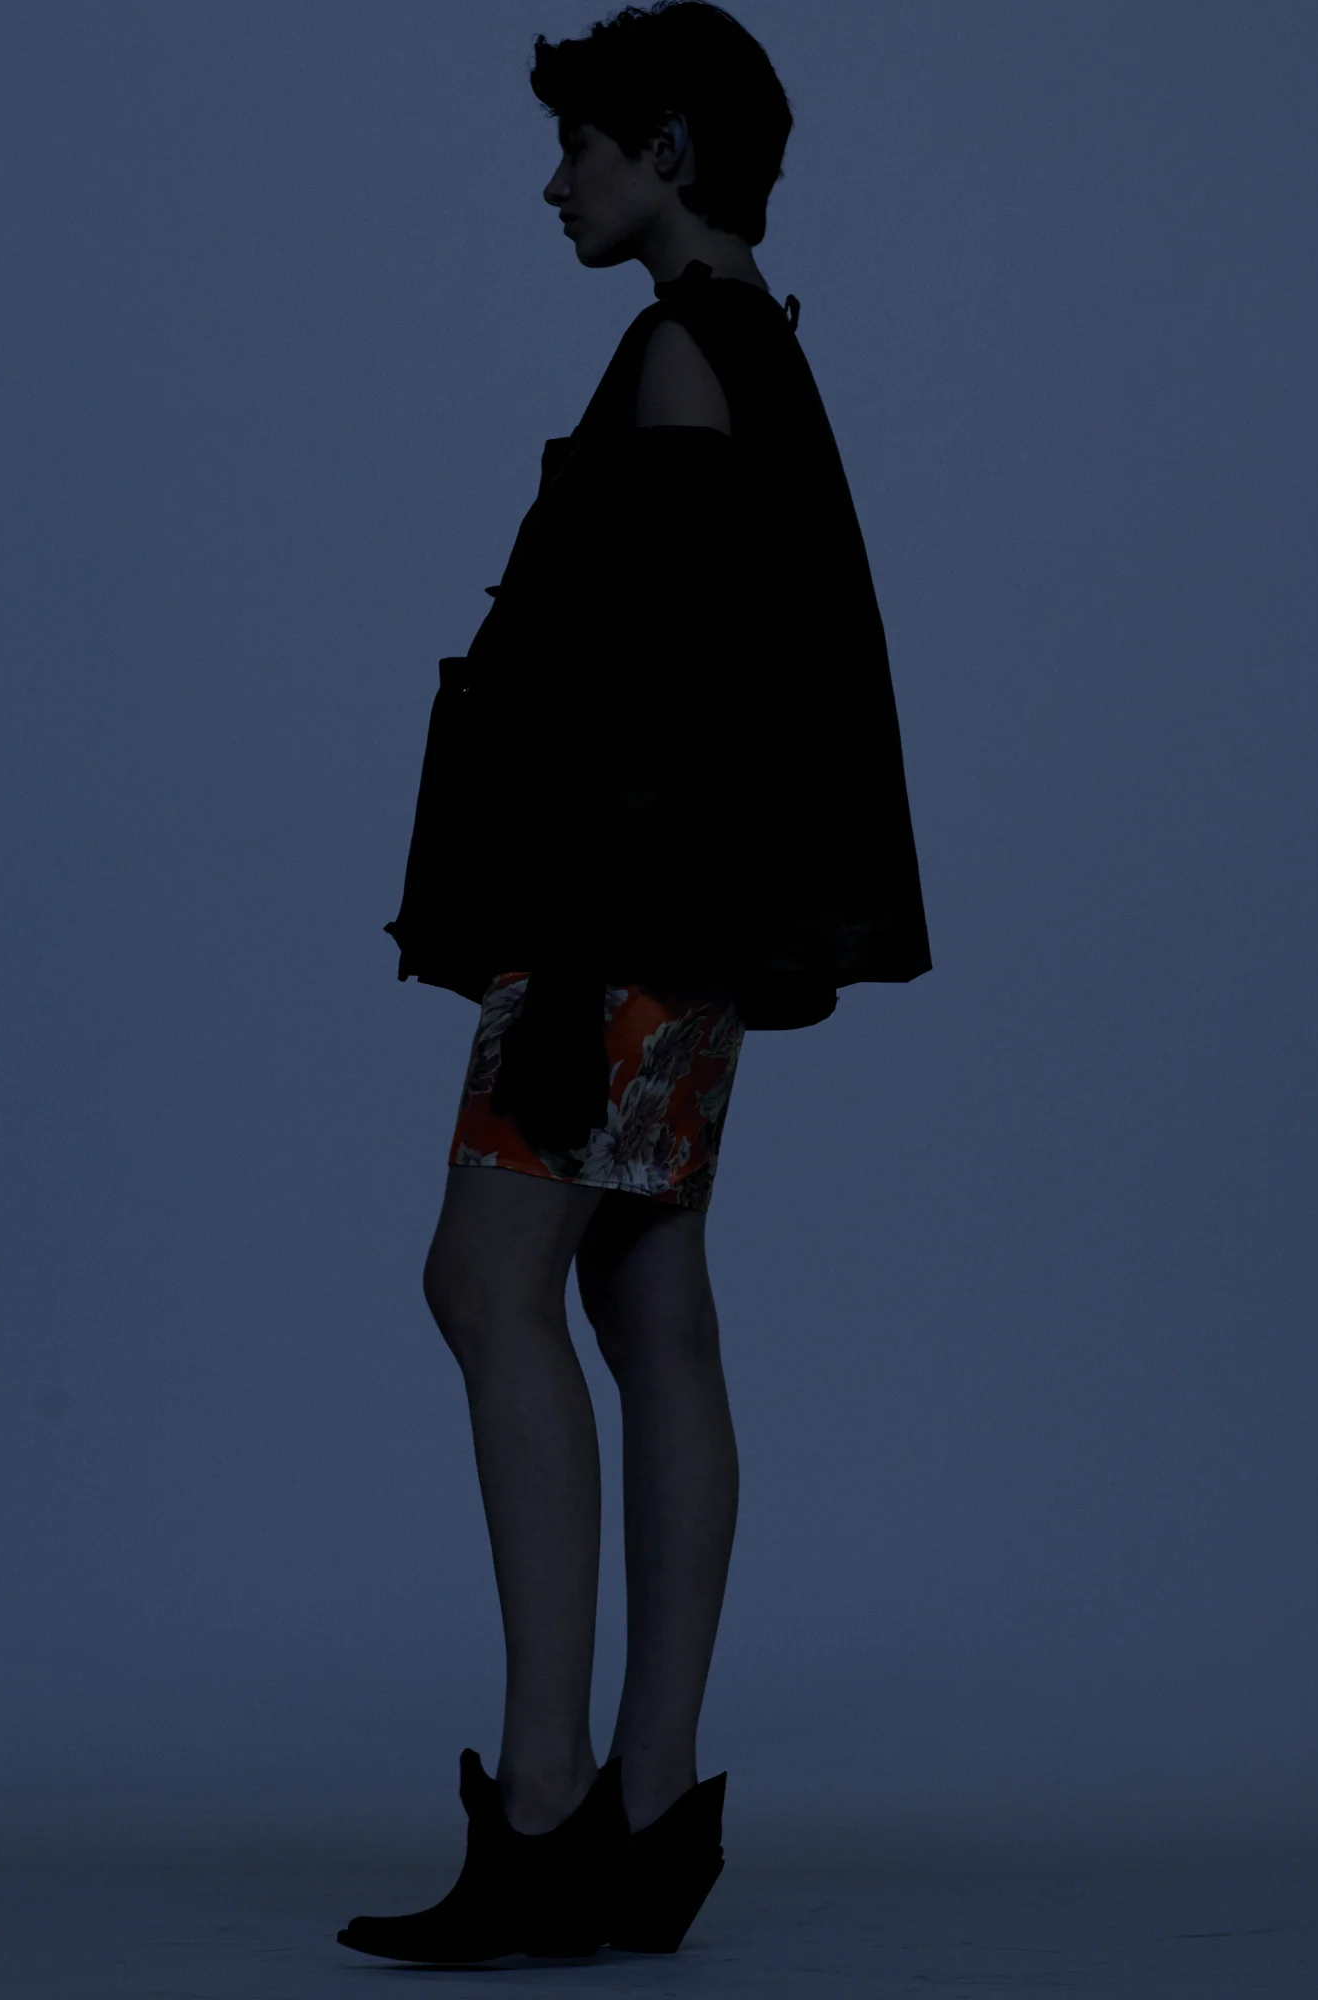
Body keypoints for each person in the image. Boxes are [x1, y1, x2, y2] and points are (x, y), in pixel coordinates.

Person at [338, 0, 929, 1966]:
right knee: (644, 1299)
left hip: (615, 923)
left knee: (484, 1281)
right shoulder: (754, 343)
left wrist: (575, 963)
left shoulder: (683, 349)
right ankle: (651, 1813)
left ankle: (542, 1807)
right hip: (680, 924)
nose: (553, 182)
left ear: (668, 149)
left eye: (581, 146)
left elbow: (650, 703)